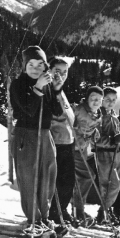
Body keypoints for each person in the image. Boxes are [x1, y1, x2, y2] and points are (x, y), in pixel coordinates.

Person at [9, 46, 62, 234]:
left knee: (48, 175)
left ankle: (45, 217)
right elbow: (28, 109)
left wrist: (55, 90)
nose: (35, 68)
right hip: (26, 134)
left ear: (45, 66)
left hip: (45, 134)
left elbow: (57, 112)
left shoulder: (45, 84)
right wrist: (38, 88)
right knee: (29, 177)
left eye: (40, 64)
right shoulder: (18, 84)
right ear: (24, 66)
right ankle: (33, 218)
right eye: (30, 64)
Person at [46, 57, 76, 224]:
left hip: (67, 141)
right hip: (54, 141)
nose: (61, 76)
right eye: (57, 71)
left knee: (68, 180)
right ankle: (53, 211)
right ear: (49, 70)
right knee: (57, 180)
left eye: (64, 72)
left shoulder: (60, 89)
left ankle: (61, 209)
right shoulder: (48, 89)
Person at [72, 86, 103, 226]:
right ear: (87, 99)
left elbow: (91, 127)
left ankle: (78, 209)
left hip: (83, 148)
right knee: (87, 175)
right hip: (74, 147)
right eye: (93, 99)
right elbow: (70, 124)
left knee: (83, 177)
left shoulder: (97, 113)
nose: (96, 102)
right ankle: (78, 209)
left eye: (98, 99)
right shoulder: (79, 109)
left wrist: (94, 134)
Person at [94, 87, 120, 224]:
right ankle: (103, 211)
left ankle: (105, 211)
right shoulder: (98, 116)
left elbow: (117, 135)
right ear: (102, 100)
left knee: (113, 185)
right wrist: (112, 140)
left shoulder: (114, 116)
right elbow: (96, 139)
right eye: (107, 100)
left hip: (117, 154)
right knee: (110, 185)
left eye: (113, 100)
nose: (111, 102)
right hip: (104, 154)